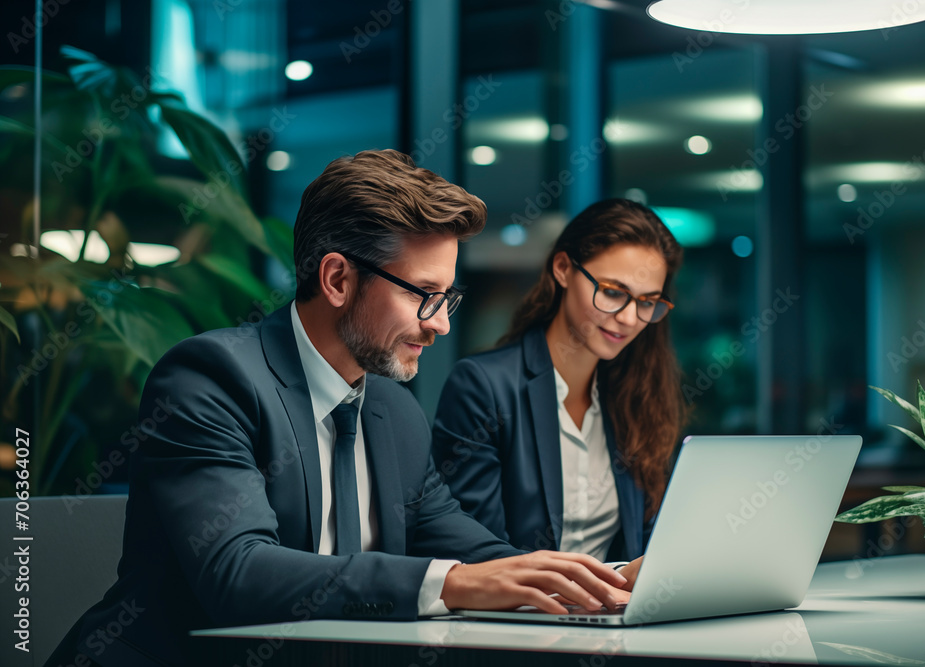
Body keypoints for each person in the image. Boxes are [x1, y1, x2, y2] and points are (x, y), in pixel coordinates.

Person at [47, 150, 629, 667]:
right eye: (423, 296)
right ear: (336, 278)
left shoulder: (395, 415)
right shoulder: (211, 378)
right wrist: (453, 583)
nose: (441, 324)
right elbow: (238, 572)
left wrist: (598, 582)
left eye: (447, 297)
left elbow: (474, 555)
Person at [432, 198, 688, 570]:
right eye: (614, 293)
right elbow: (474, 551)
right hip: (514, 620)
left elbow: (648, 540)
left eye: (648, 302)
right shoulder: (484, 385)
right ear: (564, 269)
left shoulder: (638, 394)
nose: (630, 318)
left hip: (615, 618)